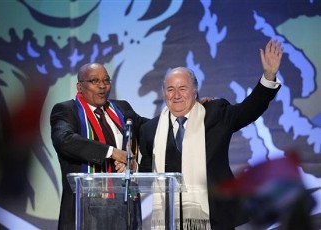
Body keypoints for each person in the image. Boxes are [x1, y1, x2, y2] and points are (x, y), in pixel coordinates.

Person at [138, 39, 283, 230]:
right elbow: (147, 174)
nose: (176, 95)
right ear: (164, 93)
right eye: (170, 89)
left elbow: (250, 109)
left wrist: (268, 76)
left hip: (216, 217)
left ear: (195, 91)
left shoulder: (215, 113)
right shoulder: (151, 130)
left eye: (183, 88)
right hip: (170, 219)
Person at [50, 63, 147, 229]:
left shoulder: (122, 109)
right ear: (80, 86)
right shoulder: (66, 110)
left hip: (124, 208)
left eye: (106, 80)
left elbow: (151, 128)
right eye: (95, 81)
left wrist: (191, 108)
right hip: (85, 209)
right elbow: (64, 140)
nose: (102, 86)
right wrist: (112, 152)